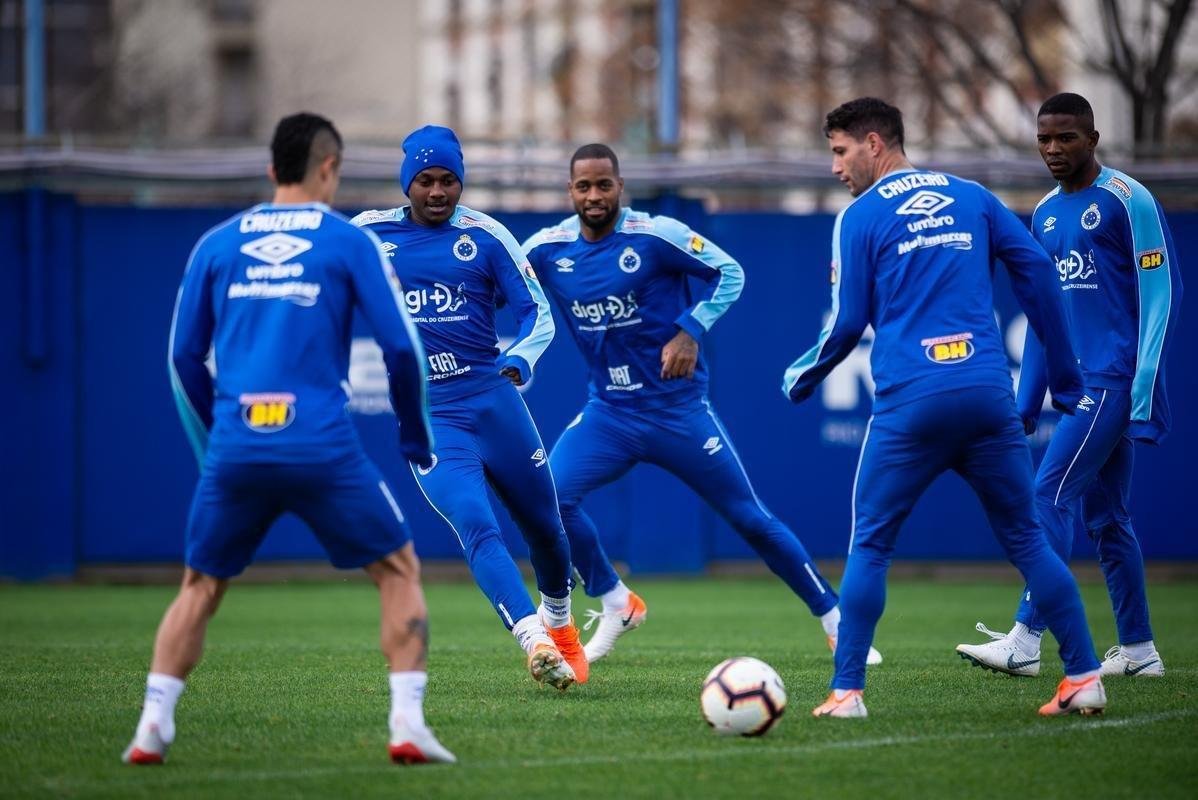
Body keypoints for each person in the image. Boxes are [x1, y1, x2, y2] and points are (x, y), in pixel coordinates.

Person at [122, 112, 455, 765]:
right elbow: (402, 348)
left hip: (236, 447)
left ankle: (152, 725)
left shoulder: (217, 244)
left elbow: (182, 360)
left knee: (200, 585)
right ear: (328, 169)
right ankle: (408, 724)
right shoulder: (347, 241)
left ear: (273, 168)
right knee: (398, 569)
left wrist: (214, 445)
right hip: (320, 444)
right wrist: (416, 434)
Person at [783, 97, 1106, 718]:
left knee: (871, 545)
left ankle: (848, 691)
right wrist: (1064, 377)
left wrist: (804, 372)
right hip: (987, 394)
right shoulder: (974, 196)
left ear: (874, 143)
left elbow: (848, 323)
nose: (834, 167)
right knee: (1028, 541)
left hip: (912, 403)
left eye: (839, 151)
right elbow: (1038, 270)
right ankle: (1086, 675)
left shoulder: (858, 217)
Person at [521, 143, 881, 668]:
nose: (594, 195)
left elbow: (730, 273)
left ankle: (835, 620)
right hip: (609, 413)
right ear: (570, 191)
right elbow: (500, 281)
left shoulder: (656, 236)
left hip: (677, 412)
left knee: (750, 518)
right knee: (547, 500)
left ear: (621, 187)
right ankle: (616, 600)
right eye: (584, 186)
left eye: (604, 184)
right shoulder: (546, 250)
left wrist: (691, 329)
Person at [956, 93, 1182, 679]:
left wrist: (1142, 386)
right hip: (1080, 384)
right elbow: (1043, 316)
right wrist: (1026, 401)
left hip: (1111, 380)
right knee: (1108, 519)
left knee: (1047, 496)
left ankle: (1026, 639)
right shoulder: (1047, 214)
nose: (1053, 149)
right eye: (1044, 139)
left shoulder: (1129, 201)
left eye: (1066, 139)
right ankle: (1139, 652)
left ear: (1093, 139)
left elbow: (1162, 295)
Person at [352, 125, 586, 690]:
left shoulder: (487, 236)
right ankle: (534, 642)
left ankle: (561, 629)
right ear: (406, 182)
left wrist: (521, 359)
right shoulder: (365, 236)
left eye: (449, 181)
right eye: (426, 181)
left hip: (493, 402)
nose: (438, 192)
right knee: (476, 523)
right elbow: (322, 294)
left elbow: (539, 315)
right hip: (430, 417)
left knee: (548, 532)